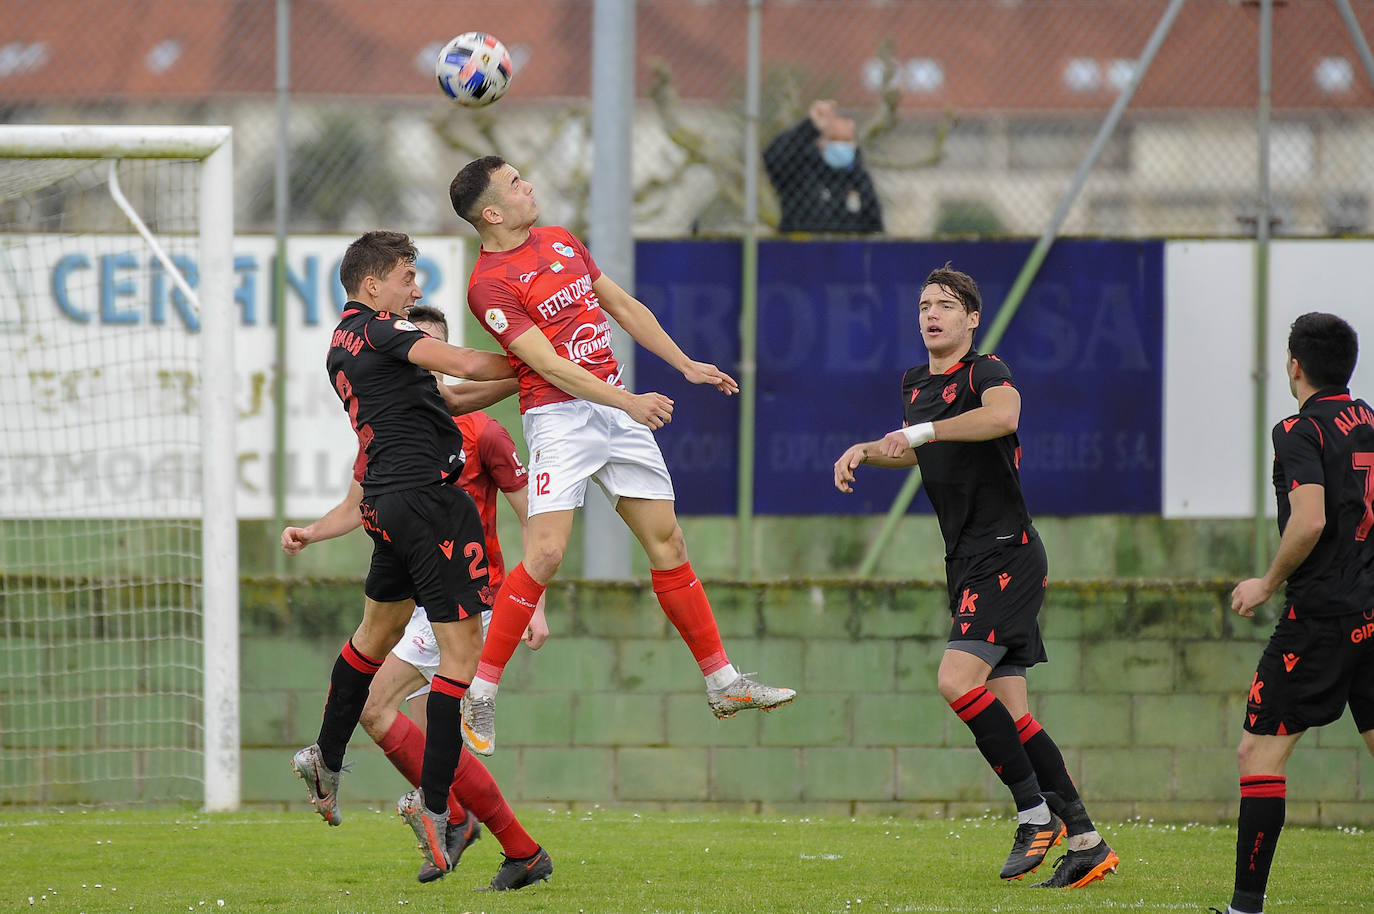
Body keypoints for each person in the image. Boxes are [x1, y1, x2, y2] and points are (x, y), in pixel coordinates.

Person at [447, 154, 795, 758]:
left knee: (670, 544)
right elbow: (549, 366)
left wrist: (684, 365)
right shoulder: (488, 285)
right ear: (493, 212)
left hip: (615, 407)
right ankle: (482, 689)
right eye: (515, 184)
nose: (531, 186)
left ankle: (723, 682)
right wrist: (629, 401)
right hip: (559, 416)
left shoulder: (561, 241)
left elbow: (625, 308)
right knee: (548, 551)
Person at [832, 264, 1116, 887]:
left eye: (946, 305)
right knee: (1012, 712)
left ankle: (1035, 814)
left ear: (971, 318)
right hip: (965, 558)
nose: (932, 313)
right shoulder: (914, 384)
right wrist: (865, 451)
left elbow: (1003, 418)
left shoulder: (988, 371)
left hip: (1005, 552)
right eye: (924, 304)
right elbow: (907, 445)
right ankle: (1088, 841)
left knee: (956, 680)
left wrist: (923, 430)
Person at [287, 230, 552, 889]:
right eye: (409, 275)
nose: (417, 286)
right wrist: (534, 360)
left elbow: (447, 393)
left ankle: (326, 755)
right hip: (431, 506)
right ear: (373, 285)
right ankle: (439, 810)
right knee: (460, 664)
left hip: (385, 505)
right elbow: (462, 363)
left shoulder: (342, 344)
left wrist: (521, 373)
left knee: (372, 637)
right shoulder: (383, 330)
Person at [1214, 313, 1374, 914]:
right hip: (1370, 609)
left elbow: (1309, 519)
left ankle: (1244, 907)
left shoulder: (1300, 429)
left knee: (1259, 754)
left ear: (1295, 365)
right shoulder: (1369, 422)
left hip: (1322, 617)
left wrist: (1266, 582)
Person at [763, 99, 883, 234]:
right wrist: (809, 126)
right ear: (819, 142)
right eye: (834, 139)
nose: (840, 146)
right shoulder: (800, 171)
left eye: (846, 140)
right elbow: (773, 157)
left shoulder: (860, 179)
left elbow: (875, 226)